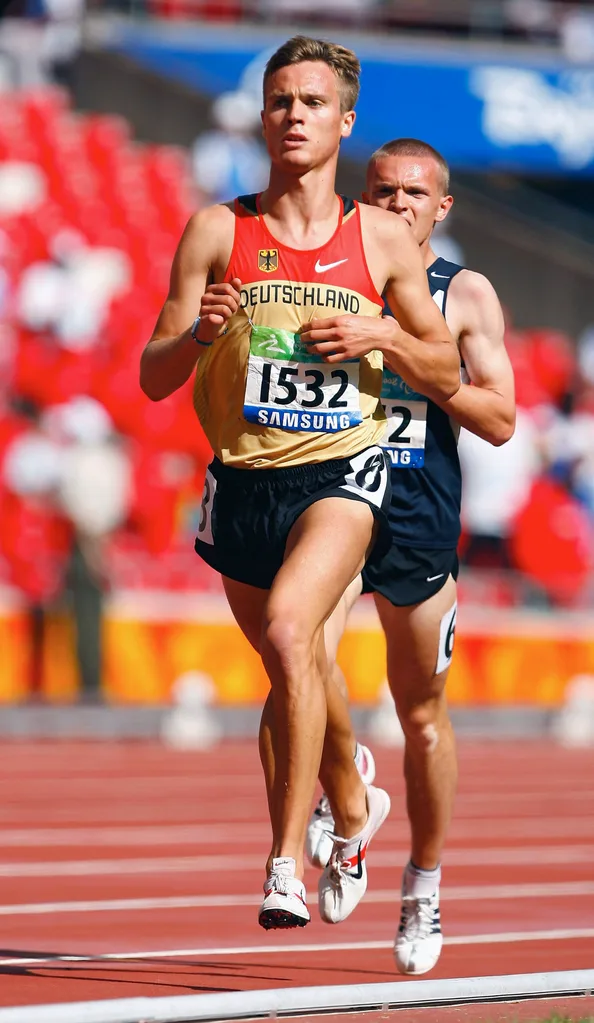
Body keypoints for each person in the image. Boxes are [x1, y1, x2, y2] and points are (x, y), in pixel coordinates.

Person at [140, 47, 460, 933]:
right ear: (261, 115)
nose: (294, 114)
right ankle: (354, 806)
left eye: (313, 102)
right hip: (243, 479)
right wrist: (199, 338)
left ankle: (283, 861)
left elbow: (444, 363)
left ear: (343, 122)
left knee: (291, 627)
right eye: (280, 100)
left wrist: (380, 336)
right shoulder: (216, 231)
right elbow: (152, 376)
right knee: (298, 665)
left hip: (344, 471)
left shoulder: (383, 237)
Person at [305, 138, 516, 971]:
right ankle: (350, 797)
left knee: (421, 713)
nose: (396, 205)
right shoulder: (327, 269)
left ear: (441, 208)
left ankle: (424, 880)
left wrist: (396, 347)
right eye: (383, 190)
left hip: (419, 514)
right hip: (329, 499)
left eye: (413, 195)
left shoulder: (463, 292)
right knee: (299, 654)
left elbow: (500, 419)